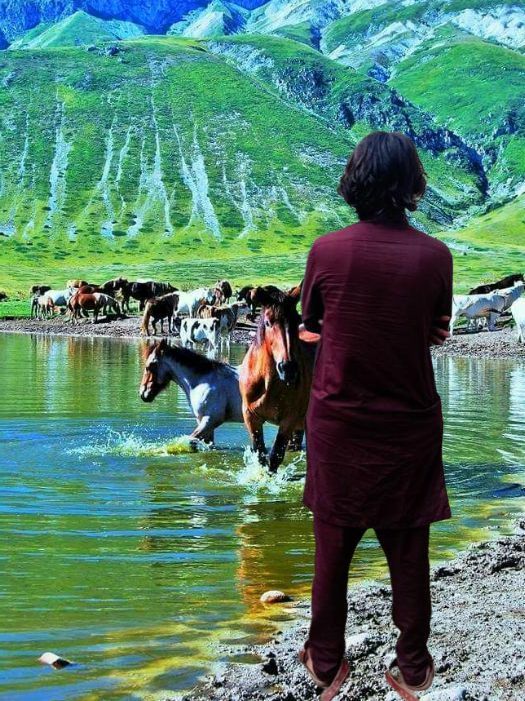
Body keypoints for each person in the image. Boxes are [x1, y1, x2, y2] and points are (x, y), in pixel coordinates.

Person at [298, 131, 453, 701]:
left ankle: (325, 662)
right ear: (411, 183)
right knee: (409, 550)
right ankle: (413, 668)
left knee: (332, 546)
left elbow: (313, 323)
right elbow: (436, 331)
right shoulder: (436, 257)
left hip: (340, 422)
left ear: (355, 181)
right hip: (409, 424)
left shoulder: (326, 251)